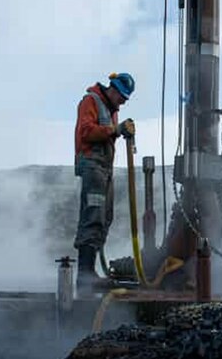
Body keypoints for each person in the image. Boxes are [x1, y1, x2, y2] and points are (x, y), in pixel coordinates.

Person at [73, 72, 136, 292]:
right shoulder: (91, 101)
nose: (123, 102)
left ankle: (92, 274)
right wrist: (115, 130)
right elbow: (86, 131)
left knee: (105, 217)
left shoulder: (112, 110)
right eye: (122, 97)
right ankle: (85, 276)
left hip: (104, 168)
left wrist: (119, 131)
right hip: (92, 165)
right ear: (113, 89)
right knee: (93, 216)